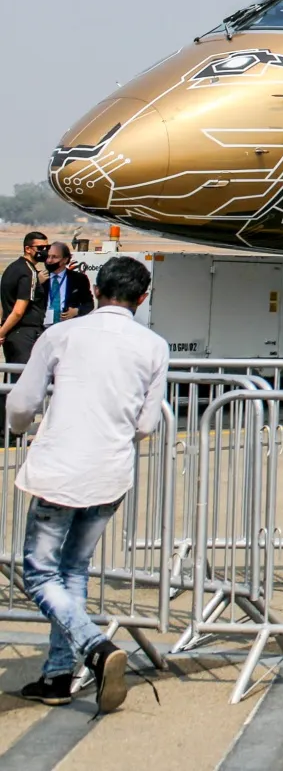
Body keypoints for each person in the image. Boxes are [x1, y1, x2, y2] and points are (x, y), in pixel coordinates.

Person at [6, 254, 167, 712]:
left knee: (39, 572)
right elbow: (147, 422)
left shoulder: (62, 335)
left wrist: (20, 428)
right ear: (142, 297)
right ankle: (58, 675)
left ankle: (95, 648)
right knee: (73, 570)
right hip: (110, 471)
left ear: (96, 291)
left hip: (60, 469)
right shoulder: (154, 346)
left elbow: (23, 401)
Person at [1, 231, 51, 366]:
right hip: (24, 333)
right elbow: (18, 310)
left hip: (14, 333)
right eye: (40, 248)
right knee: (23, 377)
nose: (44, 251)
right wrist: (1, 332)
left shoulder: (13, 268)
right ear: (28, 249)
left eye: (47, 248)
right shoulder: (28, 272)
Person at [35, 244, 93, 333]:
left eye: (54, 257)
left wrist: (76, 311)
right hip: (41, 329)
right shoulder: (38, 277)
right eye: (48, 256)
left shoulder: (79, 279)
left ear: (65, 259)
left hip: (68, 329)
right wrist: (37, 284)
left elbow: (89, 304)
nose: (49, 260)